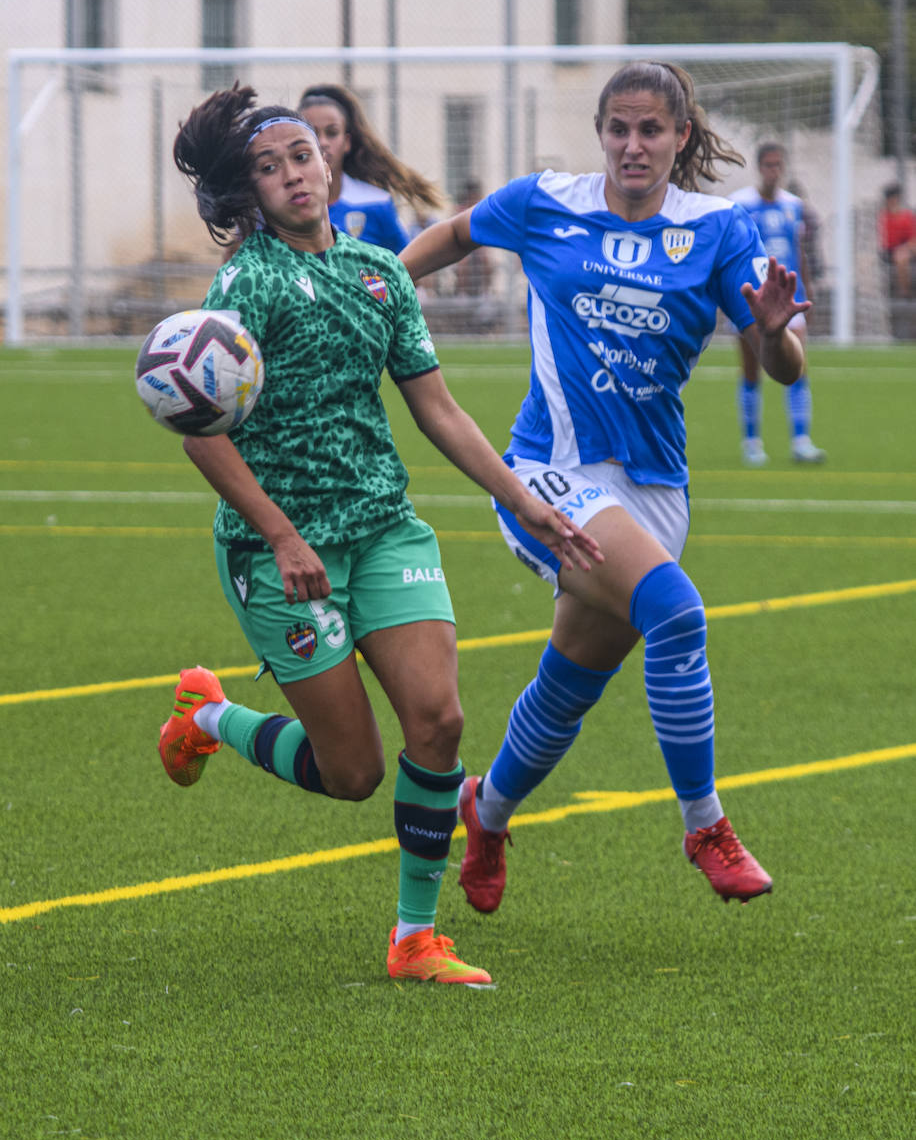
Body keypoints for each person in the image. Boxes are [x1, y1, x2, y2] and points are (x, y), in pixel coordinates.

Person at [160, 84, 600, 985]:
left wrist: (526, 501)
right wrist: (283, 537)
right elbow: (201, 430)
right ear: (251, 191)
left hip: (384, 530)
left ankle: (413, 938)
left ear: (331, 163)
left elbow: (435, 408)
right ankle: (205, 714)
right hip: (281, 551)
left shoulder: (381, 271)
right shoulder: (248, 283)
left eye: (302, 157)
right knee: (352, 770)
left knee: (439, 722)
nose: (292, 175)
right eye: (269, 167)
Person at [400, 60, 810, 920]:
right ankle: (706, 826)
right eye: (618, 129)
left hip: (654, 490)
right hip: (545, 472)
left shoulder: (718, 230)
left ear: (680, 137)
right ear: (600, 133)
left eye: (651, 130)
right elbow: (457, 235)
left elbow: (785, 365)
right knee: (677, 612)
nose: (632, 145)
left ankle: (488, 810)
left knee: (571, 682)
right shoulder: (547, 201)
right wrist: (381, 296)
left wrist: (774, 335)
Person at [730, 143, 826, 465]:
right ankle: (751, 442)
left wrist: (807, 293)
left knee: (798, 369)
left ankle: (801, 441)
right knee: (751, 371)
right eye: (768, 165)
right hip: (753, 301)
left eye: (778, 165)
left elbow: (799, 253)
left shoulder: (793, 206)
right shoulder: (739, 205)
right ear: (759, 167)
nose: (773, 170)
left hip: (789, 300)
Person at [298, 82, 441, 251]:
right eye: (312, 133)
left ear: (347, 142)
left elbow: (407, 267)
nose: (322, 142)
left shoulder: (376, 203)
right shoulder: (279, 207)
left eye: (332, 132)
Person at [878, 182, 915, 300]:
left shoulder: (907, 216)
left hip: (906, 248)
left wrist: (907, 247)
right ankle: (905, 293)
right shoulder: (883, 217)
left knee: (902, 254)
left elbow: (913, 238)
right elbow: (885, 241)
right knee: (901, 256)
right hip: (889, 250)